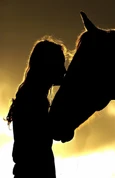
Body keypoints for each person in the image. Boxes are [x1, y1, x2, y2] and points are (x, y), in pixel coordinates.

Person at [5, 36, 67, 178]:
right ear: (48, 65)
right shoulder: (33, 99)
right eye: (60, 64)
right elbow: (50, 134)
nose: (64, 71)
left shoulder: (30, 95)